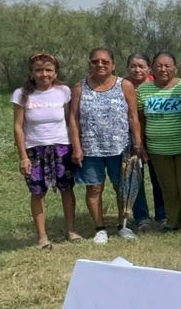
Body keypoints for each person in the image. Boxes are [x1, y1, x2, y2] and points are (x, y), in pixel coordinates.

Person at [70, 47, 143, 244]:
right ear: (89, 64)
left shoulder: (125, 85)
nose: (100, 65)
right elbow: (73, 119)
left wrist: (138, 142)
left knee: (122, 187)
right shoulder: (79, 88)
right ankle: (100, 228)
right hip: (90, 148)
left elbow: (133, 116)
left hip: (120, 147)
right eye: (95, 61)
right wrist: (76, 147)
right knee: (94, 188)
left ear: (113, 65)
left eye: (105, 61)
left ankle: (123, 225)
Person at [12, 52, 80, 248]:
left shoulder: (64, 92)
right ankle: (42, 237)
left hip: (61, 147)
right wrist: (23, 157)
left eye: (48, 70)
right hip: (35, 149)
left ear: (55, 72)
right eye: (39, 70)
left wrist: (76, 147)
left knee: (66, 189)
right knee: (37, 192)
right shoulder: (22, 95)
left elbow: (71, 121)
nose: (44, 74)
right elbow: (18, 126)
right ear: (31, 73)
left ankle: (71, 230)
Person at [136, 51, 181, 231]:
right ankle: (172, 220)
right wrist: (141, 144)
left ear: (175, 68)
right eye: (159, 65)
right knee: (168, 186)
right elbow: (140, 120)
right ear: (152, 68)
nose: (163, 69)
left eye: (167, 66)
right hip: (158, 148)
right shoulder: (143, 90)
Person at [123, 53, 167, 229]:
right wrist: (137, 141)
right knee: (136, 177)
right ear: (127, 68)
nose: (137, 70)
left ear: (149, 68)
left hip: (154, 136)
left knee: (159, 177)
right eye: (133, 66)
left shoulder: (157, 84)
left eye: (141, 66)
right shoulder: (122, 86)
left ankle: (163, 214)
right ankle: (141, 217)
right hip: (131, 138)